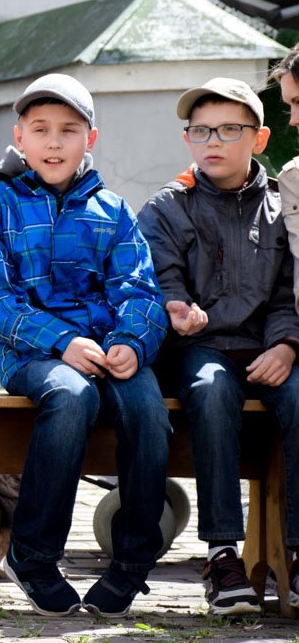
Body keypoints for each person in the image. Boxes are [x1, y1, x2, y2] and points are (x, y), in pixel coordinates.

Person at [0, 73, 170, 617]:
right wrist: (61, 341)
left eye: (68, 130)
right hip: (29, 353)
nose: (54, 142)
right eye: (41, 130)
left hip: (109, 351)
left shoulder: (114, 211)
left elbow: (141, 290)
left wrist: (131, 339)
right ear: (20, 137)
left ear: (90, 139)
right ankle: (32, 555)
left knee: (149, 409)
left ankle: (132, 563)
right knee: (72, 396)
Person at [139, 76, 299, 616]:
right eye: (201, 130)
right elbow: (156, 276)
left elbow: (287, 290)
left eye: (229, 129)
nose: (213, 141)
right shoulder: (169, 207)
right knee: (210, 392)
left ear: (259, 139)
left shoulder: (284, 205)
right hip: (200, 348)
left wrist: (287, 345)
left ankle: (297, 555)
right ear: (187, 138)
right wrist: (176, 310)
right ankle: (222, 554)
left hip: (267, 349)